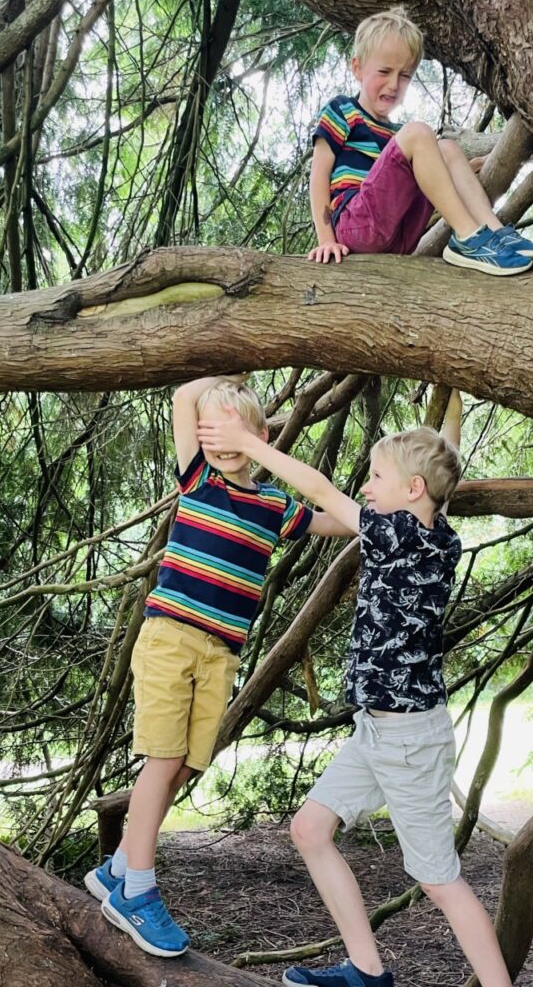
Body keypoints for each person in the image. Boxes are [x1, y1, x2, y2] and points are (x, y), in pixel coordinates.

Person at [197, 390, 513, 987]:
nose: (365, 487)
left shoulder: (405, 537)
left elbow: (321, 493)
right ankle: (367, 972)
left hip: (408, 738)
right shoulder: (425, 535)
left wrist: (249, 444)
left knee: (439, 880)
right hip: (378, 729)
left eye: (375, 477)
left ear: (413, 492)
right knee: (310, 830)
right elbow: (335, 510)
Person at [84, 376, 351, 958]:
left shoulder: (276, 508)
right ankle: (137, 890)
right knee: (164, 759)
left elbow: (347, 519)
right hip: (170, 640)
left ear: (260, 434)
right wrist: (237, 372)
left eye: (233, 431)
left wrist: (397, 509)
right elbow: (183, 397)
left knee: (185, 765)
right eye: (210, 432)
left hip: (221, 653)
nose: (219, 440)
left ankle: (118, 868)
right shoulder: (198, 480)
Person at [308, 7, 533, 277]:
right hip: (355, 226)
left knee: (446, 148)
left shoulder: (399, 136)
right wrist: (325, 239)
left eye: (404, 75)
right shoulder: (342, 111)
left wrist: (467, 168)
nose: (393, 84)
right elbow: (319, 175)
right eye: (384, 71)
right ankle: (468, 237)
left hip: (400, 236)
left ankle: (495, 233)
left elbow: (421, 178)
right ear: (357, 68)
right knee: (421, 135)